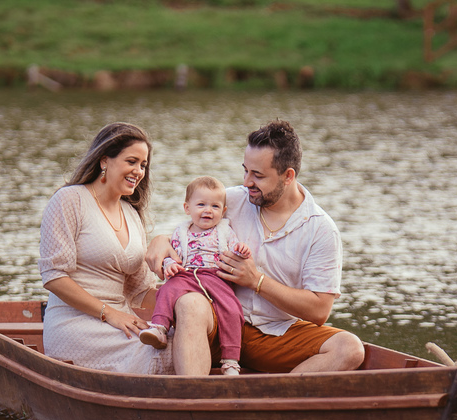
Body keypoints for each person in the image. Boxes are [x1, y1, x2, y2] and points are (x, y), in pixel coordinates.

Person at [145, 120, 365, 375]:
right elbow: (185, 231)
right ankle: (197, 404)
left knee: (350, 348)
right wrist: (160, 239)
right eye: (246, 171)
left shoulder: (321, 230)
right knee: (191, 303)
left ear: (288, 176)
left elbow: (319, 311)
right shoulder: (233, 200)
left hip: (276, 333)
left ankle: (273, 401)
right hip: (216, 324)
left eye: (258, 175)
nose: (247, 182)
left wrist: (256, 281)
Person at [38, 122, 173, 374]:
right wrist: (109, 314)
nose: (139, 171)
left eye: (143, 165)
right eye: (131, 161)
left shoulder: (131, 214)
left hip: (121, 322)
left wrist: (186, 297)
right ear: (104, 161)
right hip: (74, 324)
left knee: (183, 337)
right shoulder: (70, 200)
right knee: (159, 352)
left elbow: (142, 289)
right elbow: (54, 277)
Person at [138, 176, 251, 376]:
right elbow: (172, 255)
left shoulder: (224, 230)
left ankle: (231, 360)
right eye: (201, 204)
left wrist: (241, 250)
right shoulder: (181, 232)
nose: (208, 210)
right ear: (187, 208)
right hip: (187, 274)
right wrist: (170, 265)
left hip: (216, 276)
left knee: (232, 309)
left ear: (223, 211)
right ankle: (159, 327)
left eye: (215, 206)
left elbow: (235, 250)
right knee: (167, 288)